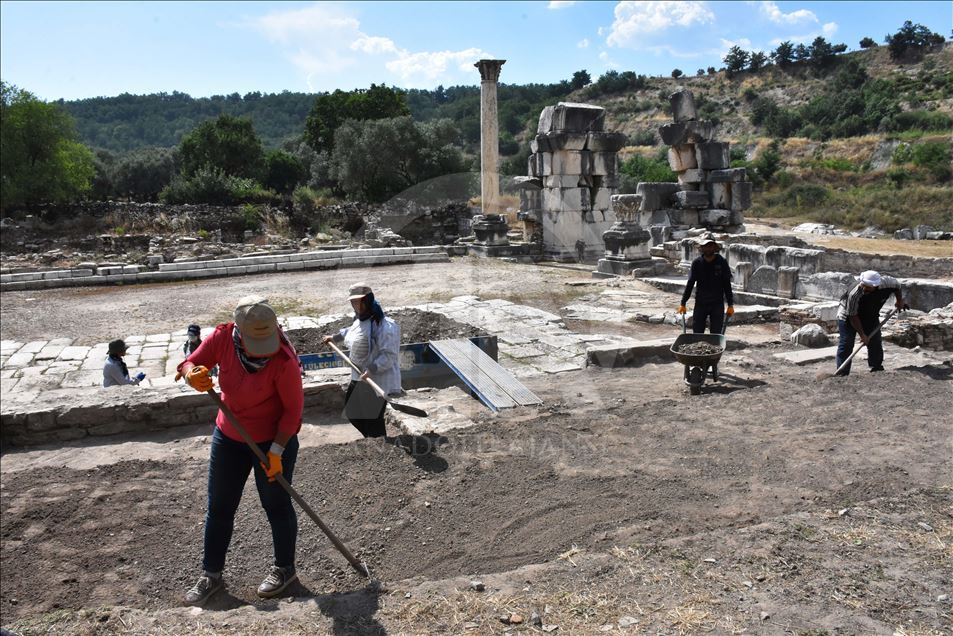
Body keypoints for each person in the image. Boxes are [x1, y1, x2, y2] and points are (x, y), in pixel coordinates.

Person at [177, 295, 304, 606]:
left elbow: (293, 412)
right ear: (239, 331)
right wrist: (193, 372)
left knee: (276, 506)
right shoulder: (222, 338)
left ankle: (284, 570)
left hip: (273, 442)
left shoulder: (284, 359)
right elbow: (191, 362)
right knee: (220, 507)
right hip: (230, 436)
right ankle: (212, 576)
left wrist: (276, 451)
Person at [322, 283, 401, 439]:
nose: (357, 305)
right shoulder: (360, 319)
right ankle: (373, 441)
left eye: (360, 301)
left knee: (373, 421)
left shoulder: (384, 326)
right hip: (358, 376)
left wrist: (372, 369)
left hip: (375, 380)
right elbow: (352, 330)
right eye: (353, 302)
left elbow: (389, 355)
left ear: (368, 300)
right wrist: (335, 337)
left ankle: (379, 445)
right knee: (353, 414)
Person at [835, 270, 904, 375]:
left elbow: (897, 287)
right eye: (864, 285)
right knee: (847, 342)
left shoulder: (888, 283)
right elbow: (853, 316)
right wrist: (862, 335)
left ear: (876, 285)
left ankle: (876, 368)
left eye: (868, 287)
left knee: (875, 341)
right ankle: (842, 372)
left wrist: (899, 301)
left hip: (870, 315)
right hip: (848, 315)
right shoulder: (854, 292)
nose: (865, 289)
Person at [677, 233, 735, 334]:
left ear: (714, 247)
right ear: (701, 248)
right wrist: (683, 303)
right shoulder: (697, 263)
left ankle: (715, 349)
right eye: (705, 246)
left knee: (716, 333)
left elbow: (727, 284)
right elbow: (690, 283)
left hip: (717, 303)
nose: (708, 248)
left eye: (710, 245)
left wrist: (730, 304)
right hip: (701, 303)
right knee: (698, 332)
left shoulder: (722, 262)